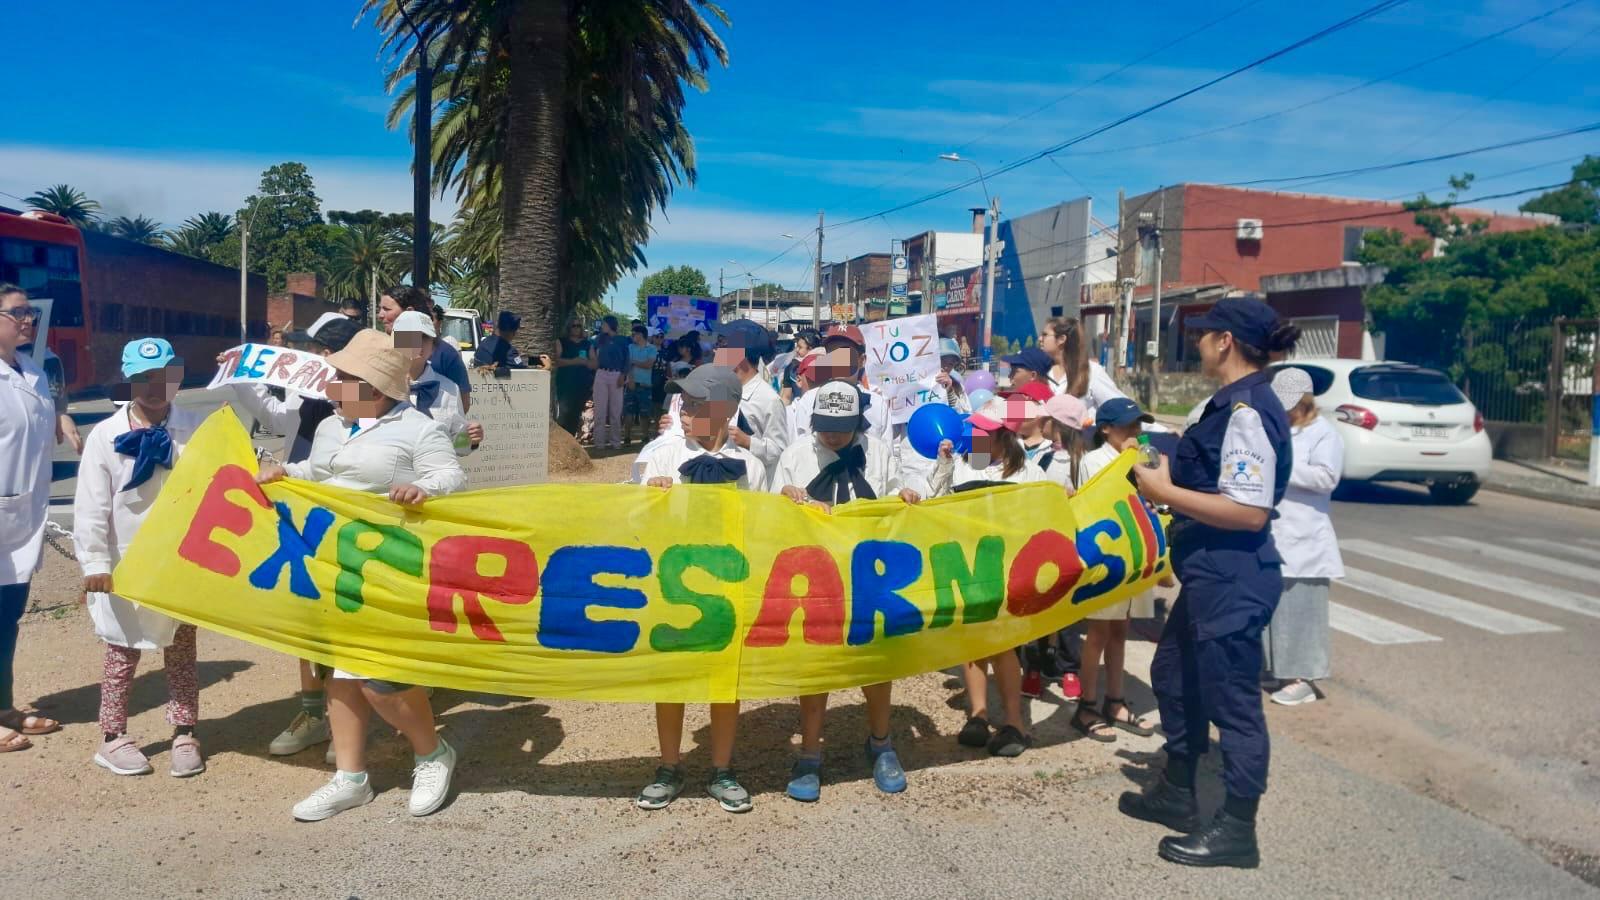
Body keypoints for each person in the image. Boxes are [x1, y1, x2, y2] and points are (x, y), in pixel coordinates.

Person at [256, 329, 467, 821]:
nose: (332, 388)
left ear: (373, 388)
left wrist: (421, 487)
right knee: (339, 671)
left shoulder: (417, 428)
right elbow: (319, 471)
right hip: (330, 560)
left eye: (343, 380)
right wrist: (285, 474)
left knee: (380, 675)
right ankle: (350, 777)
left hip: (388, 563)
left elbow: (452, 475)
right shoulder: (332, 426)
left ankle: (432, 752)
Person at [1118, 298, 1299, 868]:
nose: (1195, 344)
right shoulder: (1226, 406)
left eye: (1203, 335)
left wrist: (1163, 494)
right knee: (1173, 675)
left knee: (1235, 706)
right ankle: (1177, 791)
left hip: (1234, 576)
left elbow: (1248, 511)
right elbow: (1211, 471)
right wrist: (1159, 460)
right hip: (1209, 572)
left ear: (1225, 342)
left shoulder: (1247, 408)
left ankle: (1237, 831)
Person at [770, 381, 922, 802]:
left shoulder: (878, 451)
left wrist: (905, 496)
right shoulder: (796, 455)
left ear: (858, 422)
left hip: (870, 575)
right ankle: (810, 754)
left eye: (841, 427)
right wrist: (786, 496)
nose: (832, 435)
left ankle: (880, 743)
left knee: (875, 664)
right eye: (824, 426)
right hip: (815, 577)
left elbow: (894, 496)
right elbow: (768, 513)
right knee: (816, 664)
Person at [225, 313, 362, 760]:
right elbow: (274, 415)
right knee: (308, 621)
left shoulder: (377, 406)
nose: (307, 358)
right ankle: (315, 715)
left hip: (352, 528)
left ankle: (350, 716)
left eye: (317, 351)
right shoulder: (308, 402)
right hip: (306, 522)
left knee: (347, 621)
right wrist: (242, 374)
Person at [73, 338, 205, 777]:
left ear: (177, 377)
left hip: (180, 560)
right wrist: (95, 563)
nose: (154, 387)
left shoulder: (195, 428)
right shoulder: (106, 436)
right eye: (143, 378)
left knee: (182, 648)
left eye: (163, 377)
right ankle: (112, 737)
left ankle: (185, 731)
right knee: (122, 650)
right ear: (129, 380)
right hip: (125, 559)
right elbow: (91, 505)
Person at [637, 363, 765, 813]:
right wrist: (647, 492)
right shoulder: (662, 455)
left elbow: (762, 527)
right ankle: (669, 766)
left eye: (696, 405)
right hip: (672, 586)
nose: (685, 412)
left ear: (726, 411)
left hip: (728, 587)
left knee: (723, 682)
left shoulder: (749, 465)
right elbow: (630, 515)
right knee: (671, 680)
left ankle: (722, 769)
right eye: (683, 404)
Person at [928, 396, 1050, 758]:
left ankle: (1015, 723)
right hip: (969, 566)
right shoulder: (965, 466)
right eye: (974, 431)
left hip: (1011, 570)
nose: (976, 438)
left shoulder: (1028, 472)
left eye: (984, 432)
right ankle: (978, 715)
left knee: (1004, 646)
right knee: (973, 642)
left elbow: (1047, 511)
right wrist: (944, 465)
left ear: (1002, 435)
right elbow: (936, 501)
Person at [1068, 398, 1160, 744]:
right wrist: (1128, 462)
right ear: (1106, 429)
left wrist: (1143, 461)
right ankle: (1087, 704)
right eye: (1127, 426)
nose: (1135, 433)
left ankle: (1116, 700)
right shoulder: (1094, 461)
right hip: (1109, 555)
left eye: (1139, 425)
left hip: (1137, 551)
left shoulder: (1143, 457)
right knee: (1098, 632)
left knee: (1122, 629)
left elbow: (1155, 491)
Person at [0, 286, 63, 752]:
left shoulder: (33, 372)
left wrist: (64, 420)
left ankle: (4, 706)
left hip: (20, 516)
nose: (28, 320)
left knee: (7, 617)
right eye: (18, 313)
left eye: (30, 313)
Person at [1263, 367, 1342, 707]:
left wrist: (1280, 467)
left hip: (1306, 537)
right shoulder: (1279, 429)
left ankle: (1302, 678)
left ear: (1304, 402)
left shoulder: (1325, 433)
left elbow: (1326, 477)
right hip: (1276, 532)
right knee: (1274, 608)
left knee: (1301, 610)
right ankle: (1277, 670)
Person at [393, 310, 481, 456]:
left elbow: (458, 448)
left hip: (432, 475)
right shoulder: (374, 382)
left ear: (433, 346)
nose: (418, 343)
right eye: (410, 336)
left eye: (425, 338)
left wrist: (471, 439)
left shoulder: (450, 388)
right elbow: (359, 430)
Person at [716, 320, 791, 484]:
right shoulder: (719, 389)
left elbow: (779, 450)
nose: (717, 352)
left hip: (751, 485)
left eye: (723, 348)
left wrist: (748, 442)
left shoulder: (769, 400)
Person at [378, 285, 472, 411]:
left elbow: (462, 405)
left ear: (409, 311)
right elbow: (350, 409)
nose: (380, 315)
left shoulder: (446, 354)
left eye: (386, 309)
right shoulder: (369, 349)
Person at [1039, 317, 1127, 421]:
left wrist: (1145, 438)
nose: (1040, 338)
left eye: (1045, 335)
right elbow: (1029, 412)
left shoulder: (1092, 372)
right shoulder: (1040, 371)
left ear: (1061, 339)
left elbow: (1124, 410)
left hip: (1081, 436)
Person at [551, 320, 596, 436]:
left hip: (582, 384)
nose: (576, 328)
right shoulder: (561, 342)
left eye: (578, 326)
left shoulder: (587, 344)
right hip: (565, 383)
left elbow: (595, 363)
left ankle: (571, 440)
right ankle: (561, 440)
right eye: (573, 326)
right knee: (564, 413)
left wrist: (586, 363)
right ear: (568, 328)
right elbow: (556, 361)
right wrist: (574, 361)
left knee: (576, 414)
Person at [593, 316, 629, 450]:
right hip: (601, 373)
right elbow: (592, 353)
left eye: (604, 324)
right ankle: (599, 443)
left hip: (616, 374)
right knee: (600, 410)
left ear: (610, 324)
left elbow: (627, 359)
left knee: (615, 411)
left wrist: (623, 375)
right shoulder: (599, 339)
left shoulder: (622, 340)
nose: (602, 326)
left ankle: (615, 442)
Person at [623, 324, 658, 444]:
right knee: (628, 412)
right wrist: (630, 379)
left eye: (634, 334)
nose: (632, 336)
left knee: (645, 413)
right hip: (631, 384)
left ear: (641, 335)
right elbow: (627, 365)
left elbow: (649, 364)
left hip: (645, 385)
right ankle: (627, 437)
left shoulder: (652, 348)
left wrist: (634, 362)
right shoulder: (630, 347)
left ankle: (645, 436)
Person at [936, 338, 970, 413]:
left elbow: (964, 414)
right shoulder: (921, 383)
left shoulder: (958, 386)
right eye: (942, 361)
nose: (946, 367)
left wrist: (950, 391)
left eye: (950, 364)